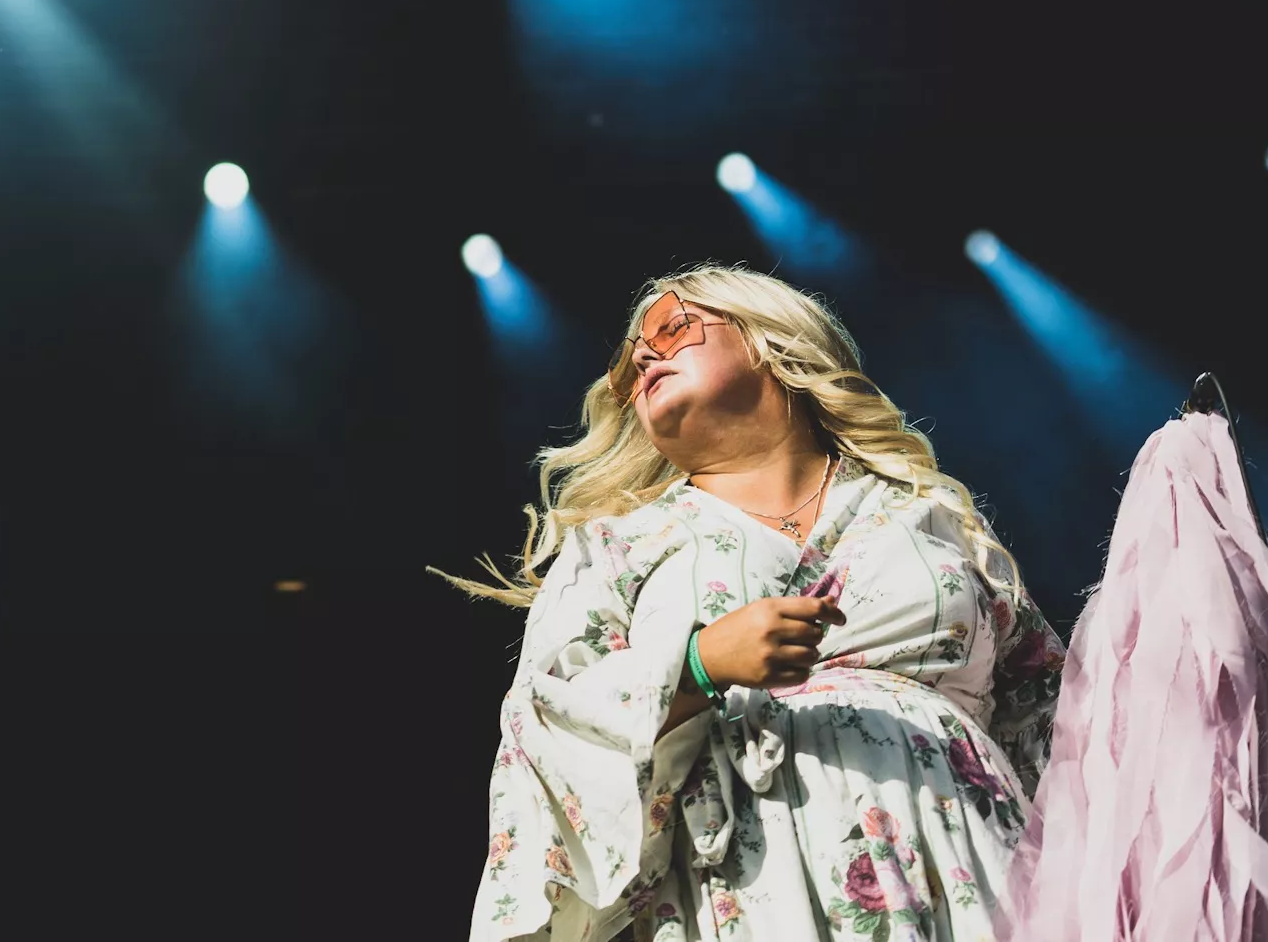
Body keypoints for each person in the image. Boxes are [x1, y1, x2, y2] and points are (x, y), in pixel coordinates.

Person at [432, 263, 1067, 941]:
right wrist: (699, 665)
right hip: (748, 894)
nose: (645, 353)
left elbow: (1054, 720)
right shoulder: (616, 547)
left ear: (772, 340)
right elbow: (544, 722)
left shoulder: (933, 518)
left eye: (673, 328)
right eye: (629, 363)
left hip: (972, 871)